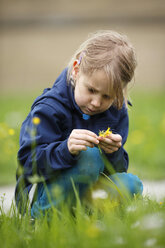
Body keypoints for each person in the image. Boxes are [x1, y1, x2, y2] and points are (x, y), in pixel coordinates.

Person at [15, 30, 143, 218]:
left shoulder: (117, 109)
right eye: (91, 90)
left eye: (107, 96)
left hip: (87, 188)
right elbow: (27, 164)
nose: (96, 102)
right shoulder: (50, 108)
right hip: (46, 191)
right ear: (76, 70)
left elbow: (115, 171)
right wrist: (65, 149)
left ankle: (83, 218)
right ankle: (40, 220)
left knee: (132, 185)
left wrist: (114, 153)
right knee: (90, 157)